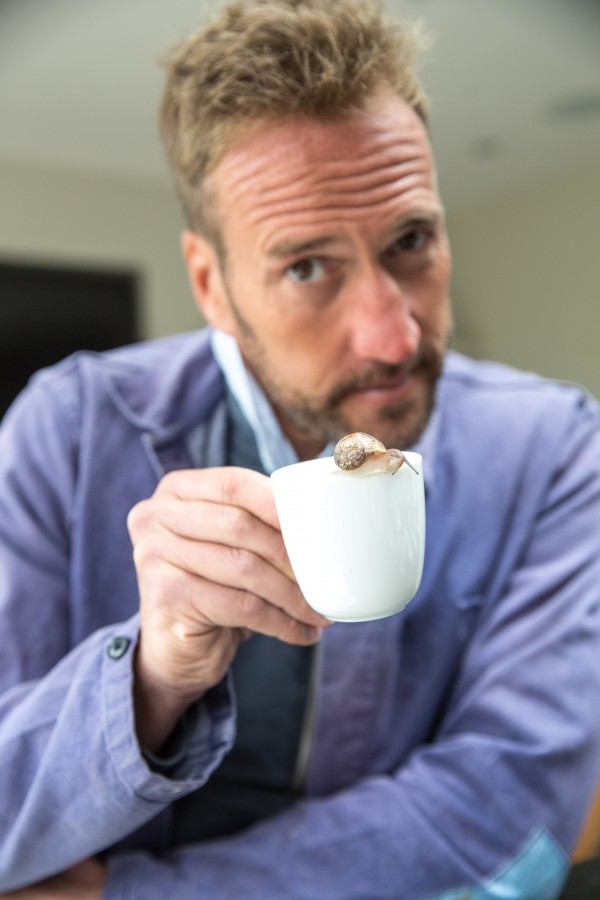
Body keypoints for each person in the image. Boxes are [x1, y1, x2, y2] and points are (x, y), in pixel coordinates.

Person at [0, 0, 599, 897]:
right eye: (307, 267)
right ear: (210, 282)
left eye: (412, 240)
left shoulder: (552, 447)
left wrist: (123, 895)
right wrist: (154, 678)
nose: (392, 337)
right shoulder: (67, 432)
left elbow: (509, 821)